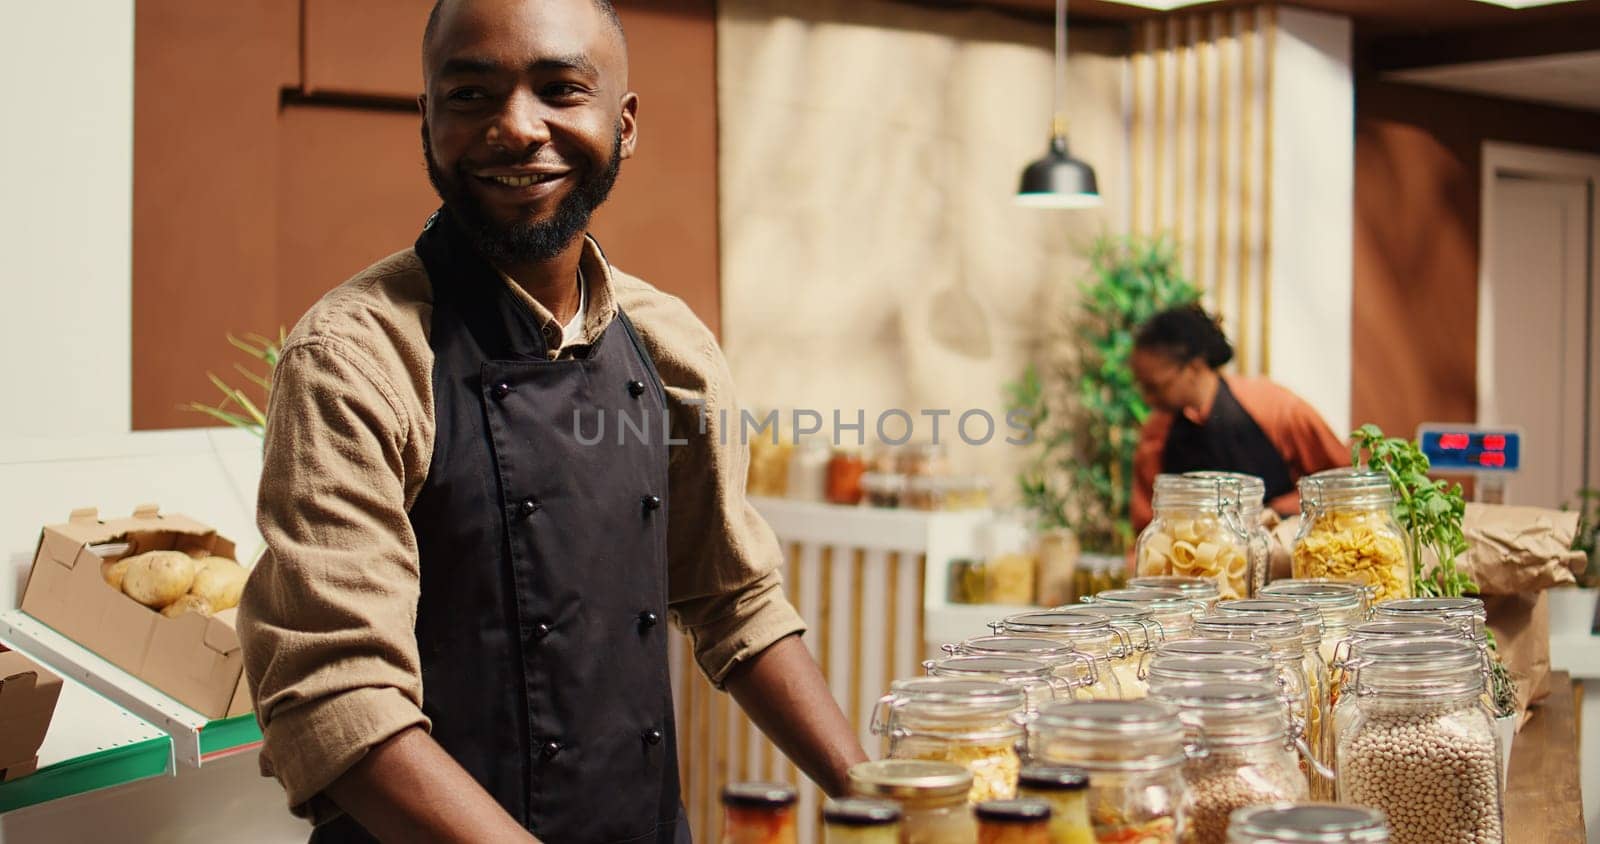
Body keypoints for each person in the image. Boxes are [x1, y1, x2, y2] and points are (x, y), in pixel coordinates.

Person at [236, 1, 866, 841]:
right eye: (470, 95)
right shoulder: (356, 358)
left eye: (561, 90)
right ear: (426, 119)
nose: (516, 128)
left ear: (625, 121)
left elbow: (734, 599)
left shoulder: (670, 346)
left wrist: (881, 794)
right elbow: (339, 701)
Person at [1129, 304, 1348, 532]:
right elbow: (1147, 524)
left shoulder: (1273, 407)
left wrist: (1277, 510)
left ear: (1194, 368)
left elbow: (1341, 480)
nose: (1148, 399)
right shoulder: (1157, 432)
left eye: (1154, 387)